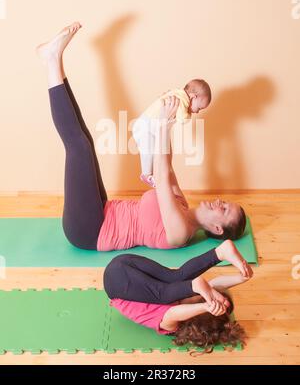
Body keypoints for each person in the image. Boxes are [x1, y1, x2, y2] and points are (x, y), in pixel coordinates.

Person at [36, 22, 246, 253]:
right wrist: (167, 119)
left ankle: (52, 59)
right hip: (102, 210)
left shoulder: (181, 232)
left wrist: (164, 126)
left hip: (91, 230)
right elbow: (166, 165)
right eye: (225, 203)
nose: (219, 202)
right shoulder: (183, 205)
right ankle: (54, 59)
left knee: (79, 148)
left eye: (224, 210)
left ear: (217, 228)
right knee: (86, 140)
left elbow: (163, 177)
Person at [104, 240, 252, 351]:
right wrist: (241, 278)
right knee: (176, 279)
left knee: (167, 290)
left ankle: (219, 253)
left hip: (117, 280)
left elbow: (172, 312)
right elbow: (214, 285)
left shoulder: (172, 326)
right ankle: (220, 252)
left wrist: (205, 306)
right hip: (123, 272)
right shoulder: (182, 298)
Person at [132, 78, 211, 187]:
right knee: (149, 152)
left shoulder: (177, 93)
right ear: (193, 97)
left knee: (161, 152)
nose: (197, 112)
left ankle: (155, 174)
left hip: (148, 126)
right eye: (199, 108)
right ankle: (146, 174)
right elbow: (183, 119)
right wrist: (188, 115)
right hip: (145, 126)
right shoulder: (182, 100)